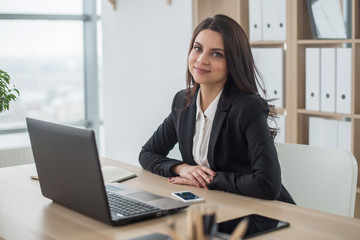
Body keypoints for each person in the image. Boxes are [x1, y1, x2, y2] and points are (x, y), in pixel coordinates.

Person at [139, 14, 295, 204]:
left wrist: (208, 179)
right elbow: (147, 154)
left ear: (234, 63)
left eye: (216, 54)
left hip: (261, 212)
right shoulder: (183, 101)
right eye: (198, 49)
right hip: (214, 205)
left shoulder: (248, 108)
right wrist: (183, 169)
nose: (201, 60)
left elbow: (266, 185)